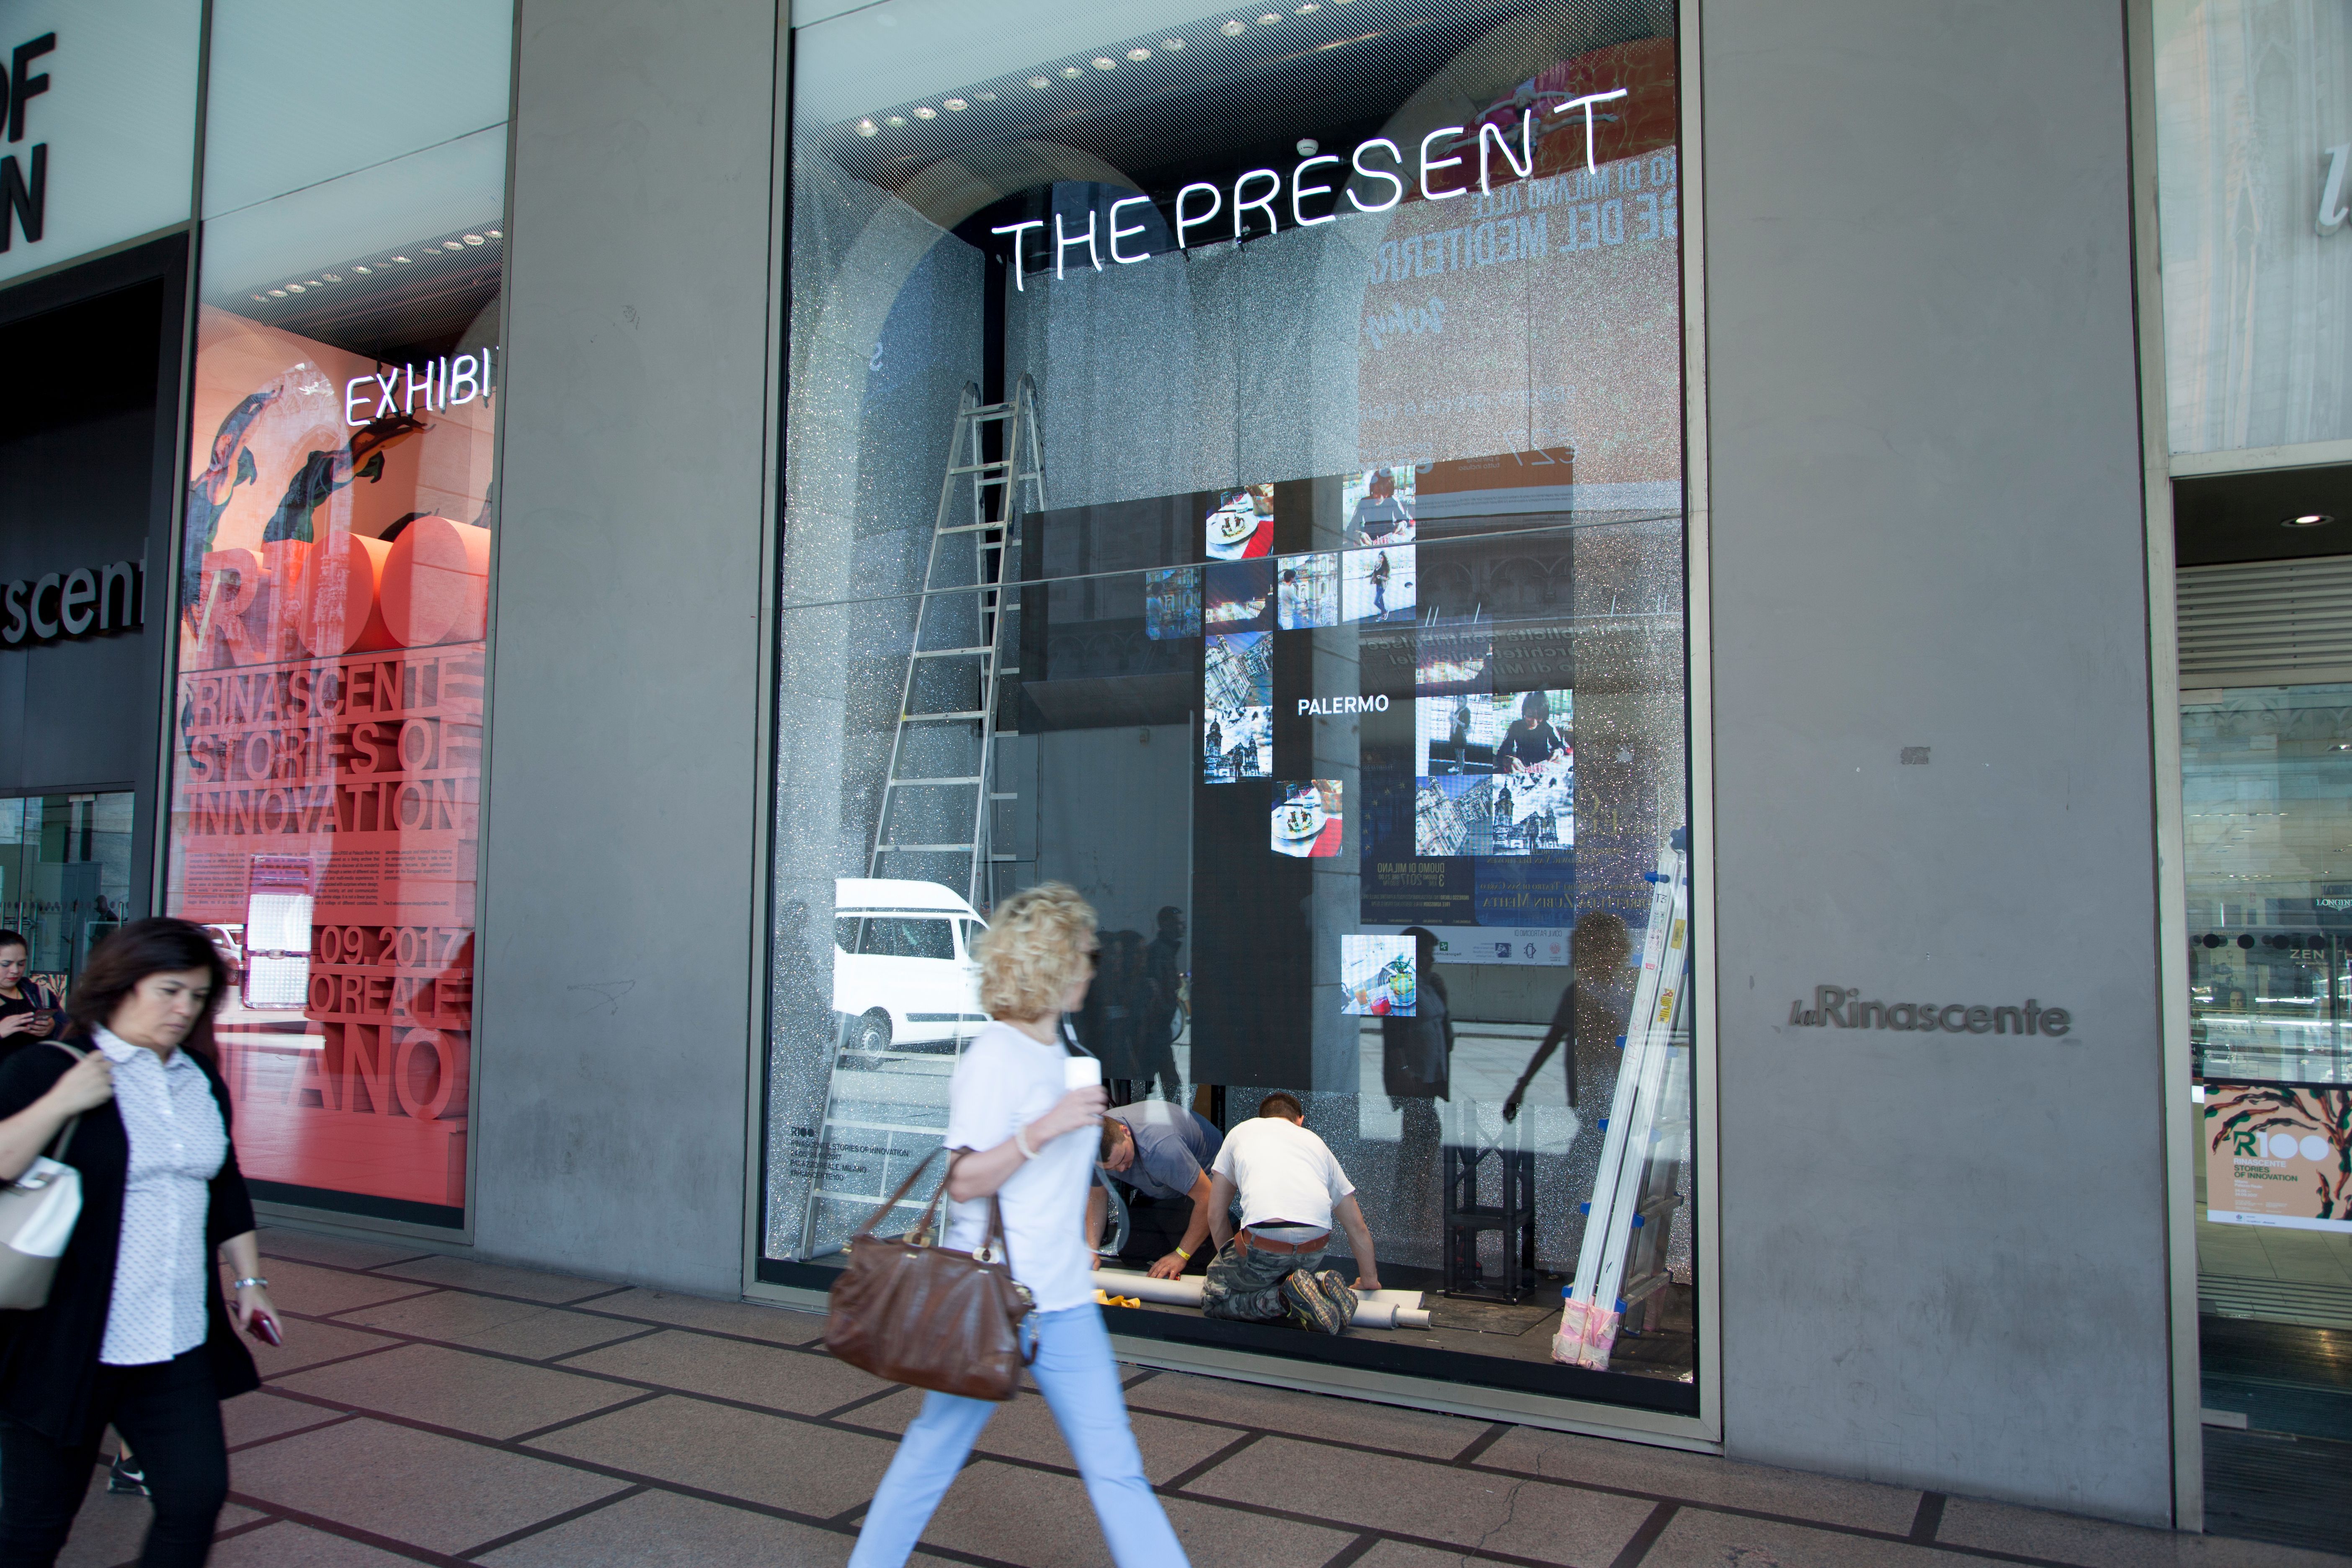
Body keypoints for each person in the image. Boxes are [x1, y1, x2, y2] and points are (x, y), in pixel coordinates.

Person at [848, 884, 1186, 1568]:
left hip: (1062, 1302)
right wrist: (1045, 1128)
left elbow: (1065, 1178)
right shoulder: (994, 1055)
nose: (1091, 968)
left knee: (1117, 1467)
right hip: (989, 1298)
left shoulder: (1064, 1045)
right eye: (1082, 955)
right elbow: (965, 1179)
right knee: (930, 1456)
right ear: (1048, 963)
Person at [0, 917, 282, 1568]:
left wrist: (250, 1281)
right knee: (34, 1532)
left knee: (195, 1501)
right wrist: (62, 1102)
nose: (184, 1009)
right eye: (169, 991)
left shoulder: (198, 1078)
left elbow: (223, 1183)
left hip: (175, 1338)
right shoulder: (48, 1067)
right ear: (122, 985)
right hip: (65, 1342)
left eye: (198, 996)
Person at [1200, 1093, 1380, 1335]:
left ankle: (1285, 1299)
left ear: (1262, 1118)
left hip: (1264, 1243)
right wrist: (1369, 1280)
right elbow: (1357, 1227)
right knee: (1283, 1275)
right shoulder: (1317, 1144)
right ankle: (1319, 1288)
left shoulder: (1240, 1132)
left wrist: (1233, 1264)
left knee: (1213, 1299)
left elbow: (1215, 1214)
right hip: (1313, 1248)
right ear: (1300, 1120)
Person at [1504, 910, 1633, 1122]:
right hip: (1592, 1090)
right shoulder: (1579, 994)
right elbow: (1551, 1043)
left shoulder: (1620, 993)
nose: (1607, 955)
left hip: (1617, 1087)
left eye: (1611, 947)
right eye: (1598, 949)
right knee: (1595, 1133)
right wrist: (1520, 1088)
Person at [1088, 1100, 1223, 1279]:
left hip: (1204, 1180)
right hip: (1159, 1183)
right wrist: (1092, 1250)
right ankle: (1171, 1241)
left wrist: (1180, 1255)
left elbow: (1208, 1197)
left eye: (1122, 1158)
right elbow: (1097, 1197)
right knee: (1132, 1253)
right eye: (1111, 1168)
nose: (1121, 1169)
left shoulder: (1162, 1149)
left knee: (1196, 1262)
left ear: (1125, 1131)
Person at [0, 932, 62, 1067]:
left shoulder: (40, 995)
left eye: (21, 964)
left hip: (36, 1074)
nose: (15, 970)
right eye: (6, 964)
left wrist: (53, 1028)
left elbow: (71, 1032)